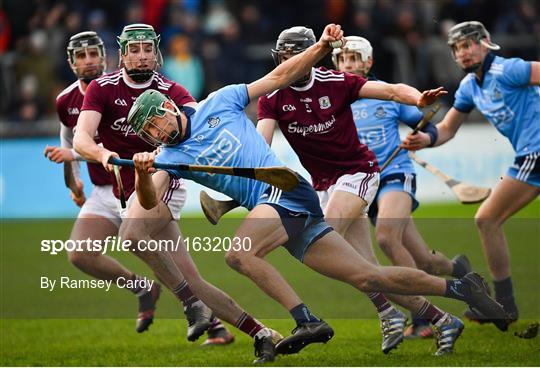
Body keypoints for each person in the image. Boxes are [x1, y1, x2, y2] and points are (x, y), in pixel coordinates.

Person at [125, 24, 508, 359]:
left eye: (155, 123)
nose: (156, 134)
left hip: (287, 192)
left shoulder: (221, 101)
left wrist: (322, 47)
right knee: (367, 277)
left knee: (239, 254)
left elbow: (280, 76)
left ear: (168, 107)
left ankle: (306, 321)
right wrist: (143, 173)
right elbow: (148, 200)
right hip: (288, 203)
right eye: (148, 133)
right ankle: (460, 289)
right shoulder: (168, 157)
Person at [256, 26, 468, 351]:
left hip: (358, 172)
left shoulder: (335, 81)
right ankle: (439, 319)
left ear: (312, 57)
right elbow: (262, 146)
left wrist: (417, 97)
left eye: (296, 57)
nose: (289, 64)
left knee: (326, 239)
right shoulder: (272, 98)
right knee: (365, 271)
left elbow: (394, 91)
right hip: (323, 184)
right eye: (284, 58)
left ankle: (406, 306)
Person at [72, 24, 235, 346]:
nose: (142, 56)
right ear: (122, 55)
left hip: (158, 187)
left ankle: (255, 331)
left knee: (182, 274)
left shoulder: (173, 91)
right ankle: (145, 289)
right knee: (80, 254)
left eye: (148, 49)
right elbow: (79, 137)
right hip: (111, 189)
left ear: (157, 53)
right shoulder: (102, 88)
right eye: (134, 50)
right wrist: (100, 153)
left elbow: (196, 127)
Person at [331, 35, 474, 339]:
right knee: (423, 260)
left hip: (396, 173)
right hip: (364, 181)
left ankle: (420, 317)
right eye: (343, 59)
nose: (349, 64)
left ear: (368, 62)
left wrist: (419, 138)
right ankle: (458, 269)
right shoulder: (335, 100)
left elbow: (427, 126)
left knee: (385, 236)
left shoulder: (384, 94)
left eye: (354, 58)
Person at [402, 21, 540, 324]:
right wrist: (424, 140)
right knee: (487, 220)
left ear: (485, 43)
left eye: (468, 45)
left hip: (536, 152)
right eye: (457, 48)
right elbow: (448, 128)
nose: (463, 53)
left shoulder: (509, 70)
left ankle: (504, 306)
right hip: (528, 156)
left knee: (487, 219)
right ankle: (505, 306)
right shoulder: (469, 87)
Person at [44, 31, 161, 334]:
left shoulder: (115, 89)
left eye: (93, 54)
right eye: (81, 56)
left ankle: (210, 320)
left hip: (139, 187)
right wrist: (74, 185)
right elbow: (69, 139)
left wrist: (72, 154)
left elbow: (112, 149)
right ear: (71, 63)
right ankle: (142, 289)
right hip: (102, 189)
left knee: (165, 259)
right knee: (80, 254)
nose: (89, 61)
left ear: (106, 57)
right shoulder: (65, 100)